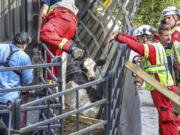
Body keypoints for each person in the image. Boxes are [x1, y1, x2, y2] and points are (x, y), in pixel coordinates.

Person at [106, 24, 178, 135]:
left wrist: (117, 37)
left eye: (140, 39)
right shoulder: (155, 45)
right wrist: (123, 34)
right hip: (161, 88)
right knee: (163, 120)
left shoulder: (150, 48)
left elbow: (135, 45)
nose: (138, 41)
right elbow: (135, 41)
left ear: (144, 38)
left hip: (162, 89)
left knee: (166, 120)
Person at [37, 0, 84, 80]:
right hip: (71, 24)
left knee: (45, 32)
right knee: (53, 59)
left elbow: (43, 11)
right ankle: (52, 89)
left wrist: (39, 33)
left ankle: (71, 48)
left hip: (60, 18)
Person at [0, 32, 33, 127]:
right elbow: (28, 81)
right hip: (9, 99)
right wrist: (29, 70)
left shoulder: (1, 47)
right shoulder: (24, 57)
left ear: (13, 41)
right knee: (12, 128)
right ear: (24, 45)